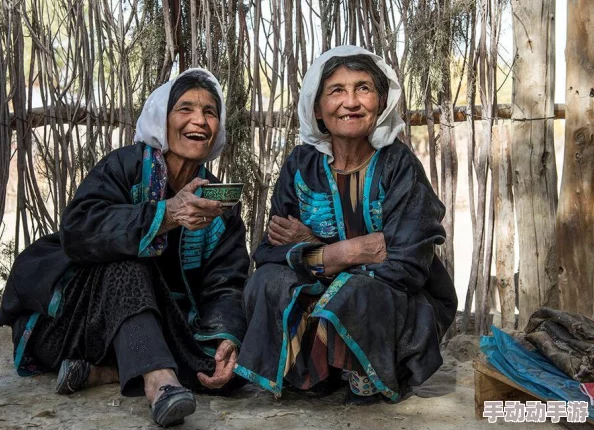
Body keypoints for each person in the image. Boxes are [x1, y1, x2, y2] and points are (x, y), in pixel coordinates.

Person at [0, 69, 249, 426]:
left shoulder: (219, 203)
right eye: (185, 109)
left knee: (229, 371)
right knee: (130, 261)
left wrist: (228, 337)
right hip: (76, 324)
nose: (200, 120)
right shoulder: (125, 167)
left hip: (163, 327)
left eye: (210, 112)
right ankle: (160, 382)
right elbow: (79, 230)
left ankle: (110, 372)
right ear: (162, 119)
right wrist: (163, 215)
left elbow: (226, 282)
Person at [234, 46, 458, 404]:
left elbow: (407, 263)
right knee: (267, 280)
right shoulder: (301, 165)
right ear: (318, 109)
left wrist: (312, 249)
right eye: (336, 90)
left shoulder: (399, 165)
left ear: (381, 102)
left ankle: (362, 372)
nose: (350, 102)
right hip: (321, 296)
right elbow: (270, 251)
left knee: (359, 291)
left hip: (389, 308)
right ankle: (316, 371)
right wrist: (346, 250)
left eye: (363, 88)